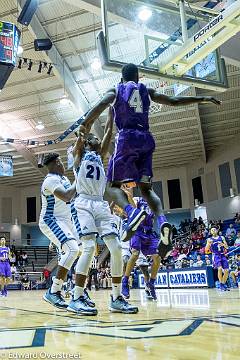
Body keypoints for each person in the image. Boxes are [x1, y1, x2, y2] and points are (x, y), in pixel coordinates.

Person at [79, 63, 221, 256]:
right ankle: (162, 221)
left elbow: (101, 104)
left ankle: (131, 212)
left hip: (127, 138)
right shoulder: (147, 90)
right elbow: (173, 100)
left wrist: (86, 123)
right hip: (146, 139)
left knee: (111, 185)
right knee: (146, 188)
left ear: (121, 78)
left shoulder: (117, 89)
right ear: (138, 78)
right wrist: (202, 98)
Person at [69, 107, 138, 314]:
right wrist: (83, 131)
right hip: (83, 203)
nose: (100, 140)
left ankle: (116, 298)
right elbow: (81, 137)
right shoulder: (79, 154)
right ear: (89, 141)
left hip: (99, 203)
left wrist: (111, 112)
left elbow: (108, 131)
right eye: (95, 139)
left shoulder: (99, 155)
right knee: (89, 248)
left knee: (116, 248)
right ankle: (77, 296)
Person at [39, 153, 80, 309]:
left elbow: (71, 200)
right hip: (51, 220)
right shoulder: (50, 181)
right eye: (61, 161)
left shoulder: (64, 179)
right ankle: (53, 291)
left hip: (66, 222)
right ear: (57, 162)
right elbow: (67, 196)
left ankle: (79, 292)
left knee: (83, 250)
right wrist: (79, 177)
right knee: (72, 250)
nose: (64, 165)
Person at [122, 197, 161, 300]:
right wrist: (128, 194)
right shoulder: (138, 199)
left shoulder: (154, 200)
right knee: (135, 254)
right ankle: (125, 281)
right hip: (137, 231)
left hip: (149, 232)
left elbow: (156, 216)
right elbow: (134, 208)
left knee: (157, 257)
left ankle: (151, 283)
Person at [205, 227, 229, 291]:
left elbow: (227, 247)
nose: (213, 231)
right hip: (215, 255)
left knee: (227, 271)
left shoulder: (222, 237)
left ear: (217, 231)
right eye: (212, 230)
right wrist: (209, 244)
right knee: (220, 268)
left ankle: (223, 284)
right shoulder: (209, 239)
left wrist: (223, 244)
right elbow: (206, 250)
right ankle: (221, 284)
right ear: (210, 232)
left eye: (214, 230)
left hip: (222, 255)